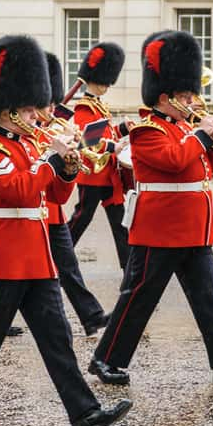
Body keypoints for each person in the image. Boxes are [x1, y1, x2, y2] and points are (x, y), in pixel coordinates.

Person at [88, 31, 213, 386]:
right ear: (166, 96)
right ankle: (106, 360)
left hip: (192, 229)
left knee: (209, 300)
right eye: (186, 95)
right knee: (138, 298)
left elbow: (204, 169)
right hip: (160, 229)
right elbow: (173, 161)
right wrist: (199, 136)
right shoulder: (147, 130)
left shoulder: (184, 128)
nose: (192, 100)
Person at [0, 35, 131, 426]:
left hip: (36, 258)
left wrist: (68, 166)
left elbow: (55, 195)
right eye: (30, 108)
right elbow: (17, 190)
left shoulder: (29, 144)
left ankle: (84, 413)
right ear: (9, 108)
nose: (37, 115)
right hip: (3, 259)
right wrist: (50, 162)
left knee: (58, 340)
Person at [43, 52, 108, 336]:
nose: (49, 109)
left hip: (51, 211)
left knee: (68, 265)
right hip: (25, 212)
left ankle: (91, 316)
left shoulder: (50, 125)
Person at [67, 41, 130, 268]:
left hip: (108, 173)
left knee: (121, 223)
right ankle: (59, 254)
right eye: (104, 81)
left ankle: (129, 267)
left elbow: (107, 132)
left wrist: (124, 128)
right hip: (93, 175)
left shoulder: (100, 106)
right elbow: (88, 139)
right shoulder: (85, 107)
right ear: (96, 79)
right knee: (81, 219)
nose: (107, 86)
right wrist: (113, 147)